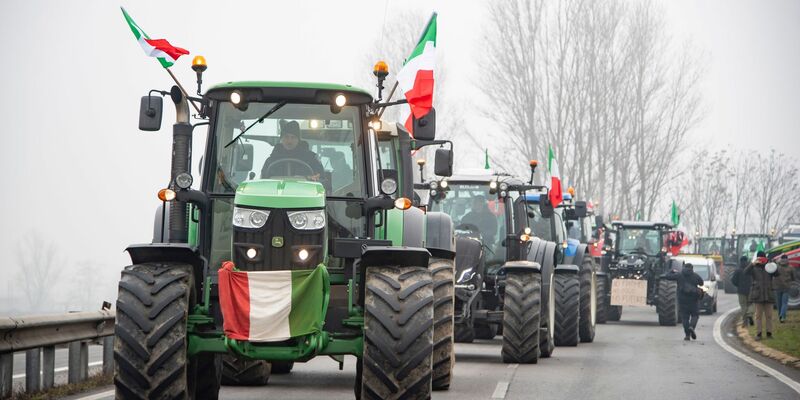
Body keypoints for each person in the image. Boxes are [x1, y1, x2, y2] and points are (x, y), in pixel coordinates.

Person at [665, 263, 705, 341]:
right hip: (693, 300)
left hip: (682, 300)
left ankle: (687, 335)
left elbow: (667, 276)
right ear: (692, 268)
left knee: (685, 317)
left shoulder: (679, 275)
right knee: (695, 315)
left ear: (684, 267)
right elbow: (701, 283)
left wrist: (672, 271)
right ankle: (692, 327)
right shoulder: (695, 276)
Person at [744, 252, 777, 340]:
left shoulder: (769, 266)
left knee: (769, 316)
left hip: (768, 295)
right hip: (758, 295)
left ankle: (769, 333)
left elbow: (777, 274)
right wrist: (752, 264)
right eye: (760, 258)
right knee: (758, 316)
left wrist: (773, 264)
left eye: (763, 258)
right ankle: (758, 333)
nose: (761, 260)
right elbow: (745, 272)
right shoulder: (754, 267)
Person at [731, 256, 754, 326]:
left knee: (743, 306)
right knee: (751, 304)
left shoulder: (738, 270)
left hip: (741, 291)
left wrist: (738, 285)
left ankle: (745, 323)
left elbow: (733, 280)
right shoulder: (751, 269)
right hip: (750, 289)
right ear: (747, 261)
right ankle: (750, 314)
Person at [773, 255, 793, 323]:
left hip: (777, 287)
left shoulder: (776, 267)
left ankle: (780, 317)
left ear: (780, 259)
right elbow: (794, 277)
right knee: (784, 303)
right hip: (786, 287)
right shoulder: (790, 267)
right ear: (787, 259)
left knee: (779, 303)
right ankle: (782, 316)